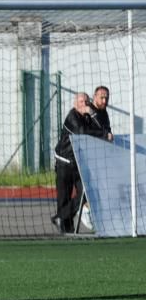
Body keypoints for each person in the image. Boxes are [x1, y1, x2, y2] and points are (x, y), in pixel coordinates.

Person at [52, 91, 112, 234]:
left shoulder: (88, 116)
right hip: (64, 162)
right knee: (63, 197)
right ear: (75, 103)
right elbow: (82, 131)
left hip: (79, 163)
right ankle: (66, 227)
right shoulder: (72, 117)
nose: (84, 105)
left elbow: (99, 128)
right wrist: (104, 135)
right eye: (81, 102)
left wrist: (92, 113)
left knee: (85, 194)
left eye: (86, 102)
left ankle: (60, 217)